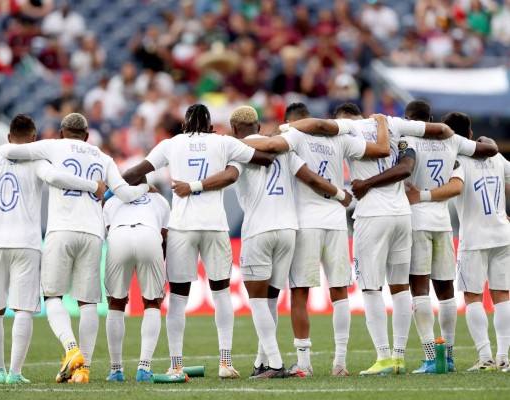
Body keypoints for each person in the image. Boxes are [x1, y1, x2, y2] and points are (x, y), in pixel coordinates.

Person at [172, 105, 352, 378]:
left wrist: (194, 185)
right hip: (289, 229)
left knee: (257, 299)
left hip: (259, 229)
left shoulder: (234, 148)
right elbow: (310, 178)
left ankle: (276, 364)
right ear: (258, 126)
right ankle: (262, 361)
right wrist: (340, 194)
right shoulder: (284, 147)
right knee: (270, 299)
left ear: (234, 129)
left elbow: (230, 175)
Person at [274, 103, 453, 375]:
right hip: (403, 214)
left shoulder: (349, 130)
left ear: (342, 119)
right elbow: (440, 131)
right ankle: (398, 357)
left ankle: (382, 357)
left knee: (370, 288)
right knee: (399, 287)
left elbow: (320, 126)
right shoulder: (395, 125)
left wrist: (288, 126)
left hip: (371, 215)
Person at [122, 104, 275, 379]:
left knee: (178, 299)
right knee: (221, 294)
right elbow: (264, 158)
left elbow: (133, 173)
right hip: (214, 225)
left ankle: (176, 364)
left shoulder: (170, 144)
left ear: (184, 124)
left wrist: (127, 189)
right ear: (209, 125)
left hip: (182, 227)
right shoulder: (223, 142)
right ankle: (225, 362)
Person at [237, 103, 391, 377]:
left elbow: (288, 160)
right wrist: (381, 123)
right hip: (336, 223)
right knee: (340, 292)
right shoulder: (340, 138)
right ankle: (340, 362)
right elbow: (381, 150)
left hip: (304, 223)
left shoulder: (292, 138)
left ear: (290, 122)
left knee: (300, 292)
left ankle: (304, 363)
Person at [0, 113, 150, 384]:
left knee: (52, 296)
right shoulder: (104, 157)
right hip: (92, 233)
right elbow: (124, 193)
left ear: (60, 132)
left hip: (61, 230)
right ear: (87, 135)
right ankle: (84, 369)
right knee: (88, 301)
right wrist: (146, 187)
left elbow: (5, 150)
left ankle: (71, 349)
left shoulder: (53, 146)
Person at [0, 114, 105, 384]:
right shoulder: (36, 161)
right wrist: (93, 186)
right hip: (26, 243)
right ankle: (15, 373)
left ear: (9, 139)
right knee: (23, 310)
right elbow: (58, 177)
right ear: (34, 138)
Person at [402, 100, 498, 374]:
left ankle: (433, 358)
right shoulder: (452, 141)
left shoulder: (407, 139)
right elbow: (488, 149)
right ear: (431, 118)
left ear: (410, 120)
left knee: (419, 290)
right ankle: (450, 357)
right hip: (443, 224)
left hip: (417, 220)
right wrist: (483, 138)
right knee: (445, 293)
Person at [444, 112, 510, 372]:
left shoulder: (455, 159)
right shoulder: (495, 155)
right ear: (470, 135)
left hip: (474, 238)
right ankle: (504, 357)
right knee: (502, 296)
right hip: (502, 234)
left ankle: (485, 358)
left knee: (473, 297)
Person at [103, 180, 170, 382]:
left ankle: (116, 370)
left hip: (119, 235)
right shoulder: (160, 199)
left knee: (115, 303)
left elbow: (108, 231)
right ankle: (144, 367)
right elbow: (164, 236)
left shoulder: (112, 200)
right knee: (152, 302)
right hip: (149, 235)